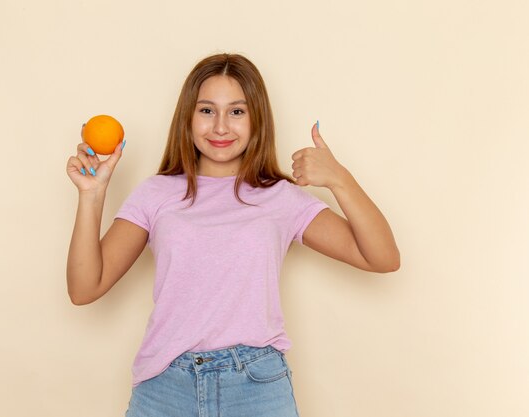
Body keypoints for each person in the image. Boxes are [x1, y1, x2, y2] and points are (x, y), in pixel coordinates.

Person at [66, 53, 400, 417]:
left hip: (256, 388)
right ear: (188, 119)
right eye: (207, 111)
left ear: (257, 118)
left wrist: (339, 178)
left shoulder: (280, 198)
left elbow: (382, 257)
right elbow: (85, 289)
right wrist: (91, 195)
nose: (221, 127)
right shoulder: (156, 193)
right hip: (165, 388)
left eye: (237, 111)